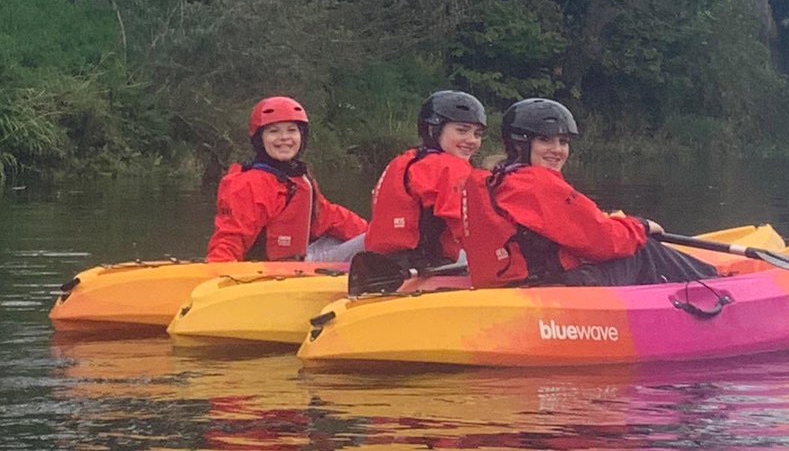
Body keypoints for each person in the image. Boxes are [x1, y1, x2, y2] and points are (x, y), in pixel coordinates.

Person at [462, 97, 718, 287]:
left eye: (563, 141)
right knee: (642, 249)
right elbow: (604, 242)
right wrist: (641, 226)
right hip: (552, 287)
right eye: (545, 140)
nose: (557, 150)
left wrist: (611, 223)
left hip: (515, 282)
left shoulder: (495, 179)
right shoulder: (535, 184)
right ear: (521, 144)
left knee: (631, 243)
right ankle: (716, 286)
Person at [206, 96, 368, 262]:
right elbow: (229, 238)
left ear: (301, 136)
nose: (284, 137)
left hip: (299, 260)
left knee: (369, 237)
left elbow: (327, 217)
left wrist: (370, 230)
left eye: (291, 130)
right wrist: (218, 269)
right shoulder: (248, 184)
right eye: (273, 131)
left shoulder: (299, 178)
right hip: (269, 270)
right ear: (260, 139)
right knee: (372, 243)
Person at [364, 89, 487, 269]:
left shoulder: (405, 160)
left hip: (385, 263)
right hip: (427, 265)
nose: (472, 140)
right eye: (462, 131)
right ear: (432, 129)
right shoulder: (449, 168)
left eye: (477, 134)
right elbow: (468, 226)